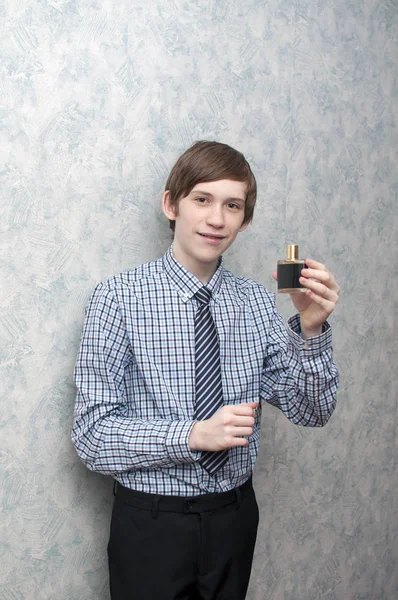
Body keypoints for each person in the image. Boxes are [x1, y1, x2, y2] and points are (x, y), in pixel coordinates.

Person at [72, 140, 340, 600]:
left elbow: (311, 411)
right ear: (170, 204)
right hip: (151, 524)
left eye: (232, 205)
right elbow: (91, 436)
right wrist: (193, 435)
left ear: (245, 219)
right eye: (202, 199)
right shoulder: (117, 298)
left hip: (234, 519)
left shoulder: (256, 302)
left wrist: (312, 331)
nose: (217, 219)